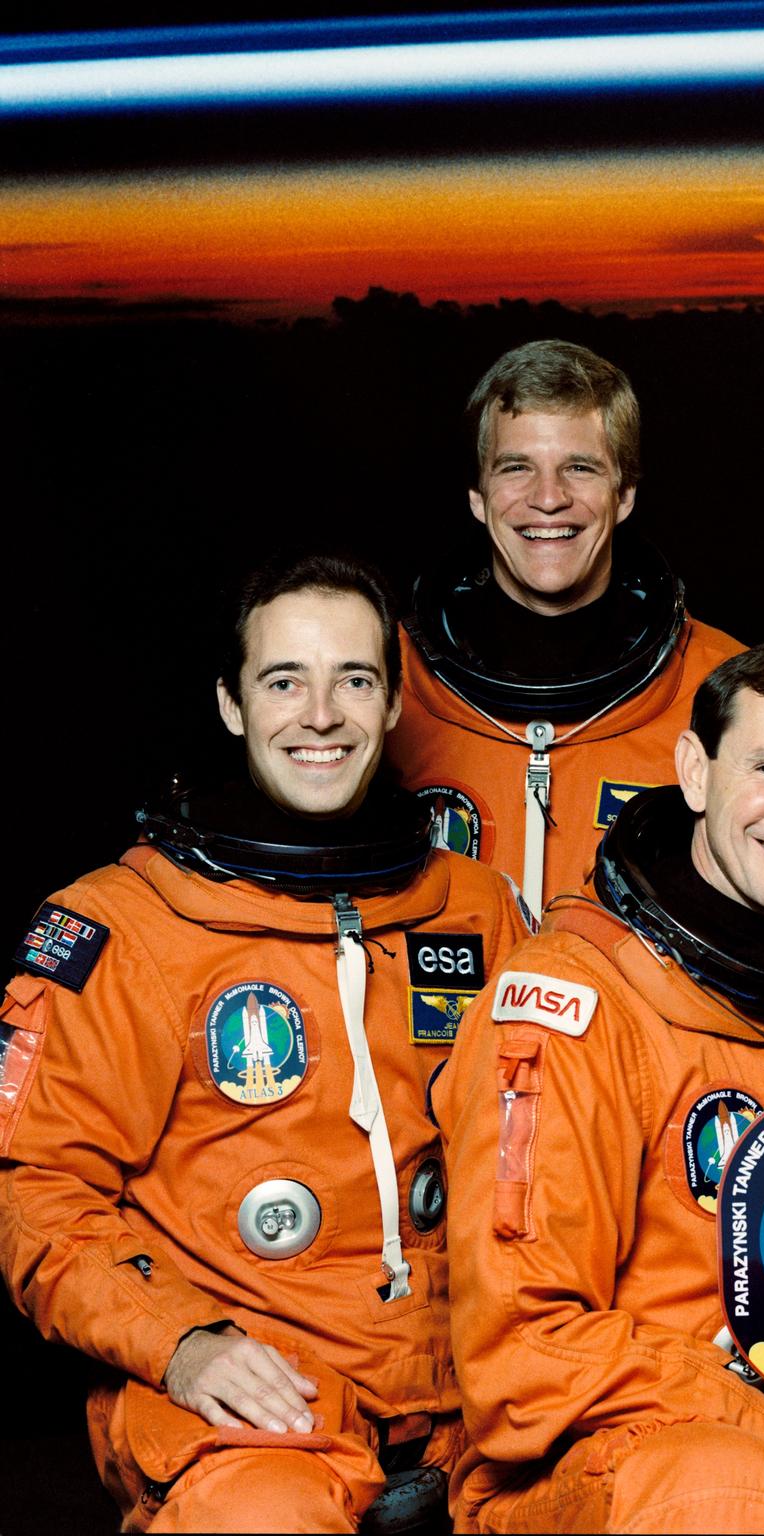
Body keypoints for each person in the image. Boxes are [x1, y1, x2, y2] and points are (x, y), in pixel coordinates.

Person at [0, 552, 530, 1532]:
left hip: (472, 1407)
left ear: (393, 703)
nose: (320, 714)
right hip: (250, 1415)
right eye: (284, 681)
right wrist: (186, 1343)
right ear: (233, 704)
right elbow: (36, 1195)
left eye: (354, 681)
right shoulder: (128, 930)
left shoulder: (475, 908)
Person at [436, 639, 764, 1534]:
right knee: (734, 1498)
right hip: (630, 1464)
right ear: (694, 772)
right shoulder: (572, 1005)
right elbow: (521, 1349)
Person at [385, 338, 744, 916]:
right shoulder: (382, 682)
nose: (548, 499)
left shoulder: (725, 689)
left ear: (624, 494)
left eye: (579, 468)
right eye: (516, 468)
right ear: (478, 497)